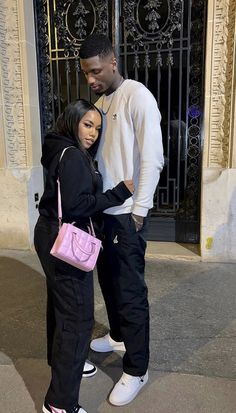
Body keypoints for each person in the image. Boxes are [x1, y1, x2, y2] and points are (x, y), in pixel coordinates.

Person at [79, 34, 164, 406]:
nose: (91, 79)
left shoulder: (137, 95)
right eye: (86, 74)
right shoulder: (99, 103)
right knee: (109, 285)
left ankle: (137, 368)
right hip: (103, 213)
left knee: (130, 294)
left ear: (112, 62)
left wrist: (140, 210)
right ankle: (117, 335)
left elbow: (152, 157)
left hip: (127, 214)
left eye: (96, 71)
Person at [34, 99, 134, 413]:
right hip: (67, 238)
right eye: (87, 124)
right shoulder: (75, 156)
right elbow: (78, 205)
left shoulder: (57, 147)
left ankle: (66, 364)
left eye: (97, 128)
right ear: (73, 120)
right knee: (77, 318)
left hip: (50, 232)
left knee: (61, 307)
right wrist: (119, 191)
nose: (92, 133)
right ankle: (59, 403)